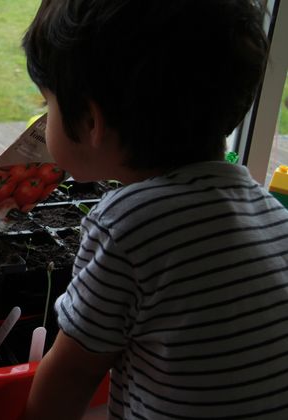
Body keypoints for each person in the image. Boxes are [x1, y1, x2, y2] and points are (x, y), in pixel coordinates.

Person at [20, 1, 288, 419]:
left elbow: (72, 374)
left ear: (91, 122)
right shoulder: (270, 213)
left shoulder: (130, 227)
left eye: (46, 105)